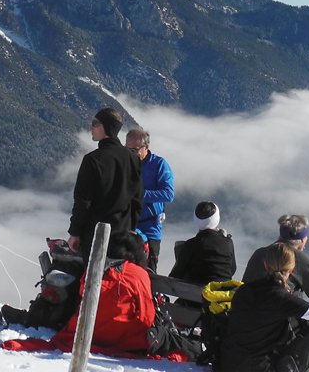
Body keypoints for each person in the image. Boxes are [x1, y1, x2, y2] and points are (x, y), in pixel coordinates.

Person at [219, 242, 309, 372]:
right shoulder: (282, 298)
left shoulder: (243, 291)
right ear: (291, 269)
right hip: (261, 368)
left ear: (266, 265)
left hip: (228, 365)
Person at [46, 231, 156, 354]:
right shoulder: (138, 274)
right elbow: (147, 316)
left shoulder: (95, 269)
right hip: (124, 339)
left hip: (88, 333)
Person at [67, 108, 143, 259]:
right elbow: (137, 197)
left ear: (106, 127)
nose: (91, 128)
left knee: (94, 280)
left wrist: (75, 233)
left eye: (95, 123)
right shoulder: (133, 158)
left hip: (96, 236)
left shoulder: (93, 160)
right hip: (123, 235)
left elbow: (83, 201)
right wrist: (132, 227)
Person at [242, 214, 309, 313]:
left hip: (247, 314)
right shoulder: (297, 257)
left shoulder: (259, 253)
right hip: (280, 319)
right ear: (302, 239)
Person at [126, 128, 173, 272]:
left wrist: (140, 194)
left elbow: (168, 194)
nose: (131, 153)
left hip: (150, 227)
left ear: (146, 147)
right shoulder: (124, 162)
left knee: (149, 271)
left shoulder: (159, 164)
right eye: (128, 149)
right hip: (127, 224)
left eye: (135, 149)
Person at [168, 201, 236, 287]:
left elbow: (175, 276)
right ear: (217, 219)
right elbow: (232, 269)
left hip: (195, 298)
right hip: (222, 297)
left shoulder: (190, 244)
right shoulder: (228, 242)